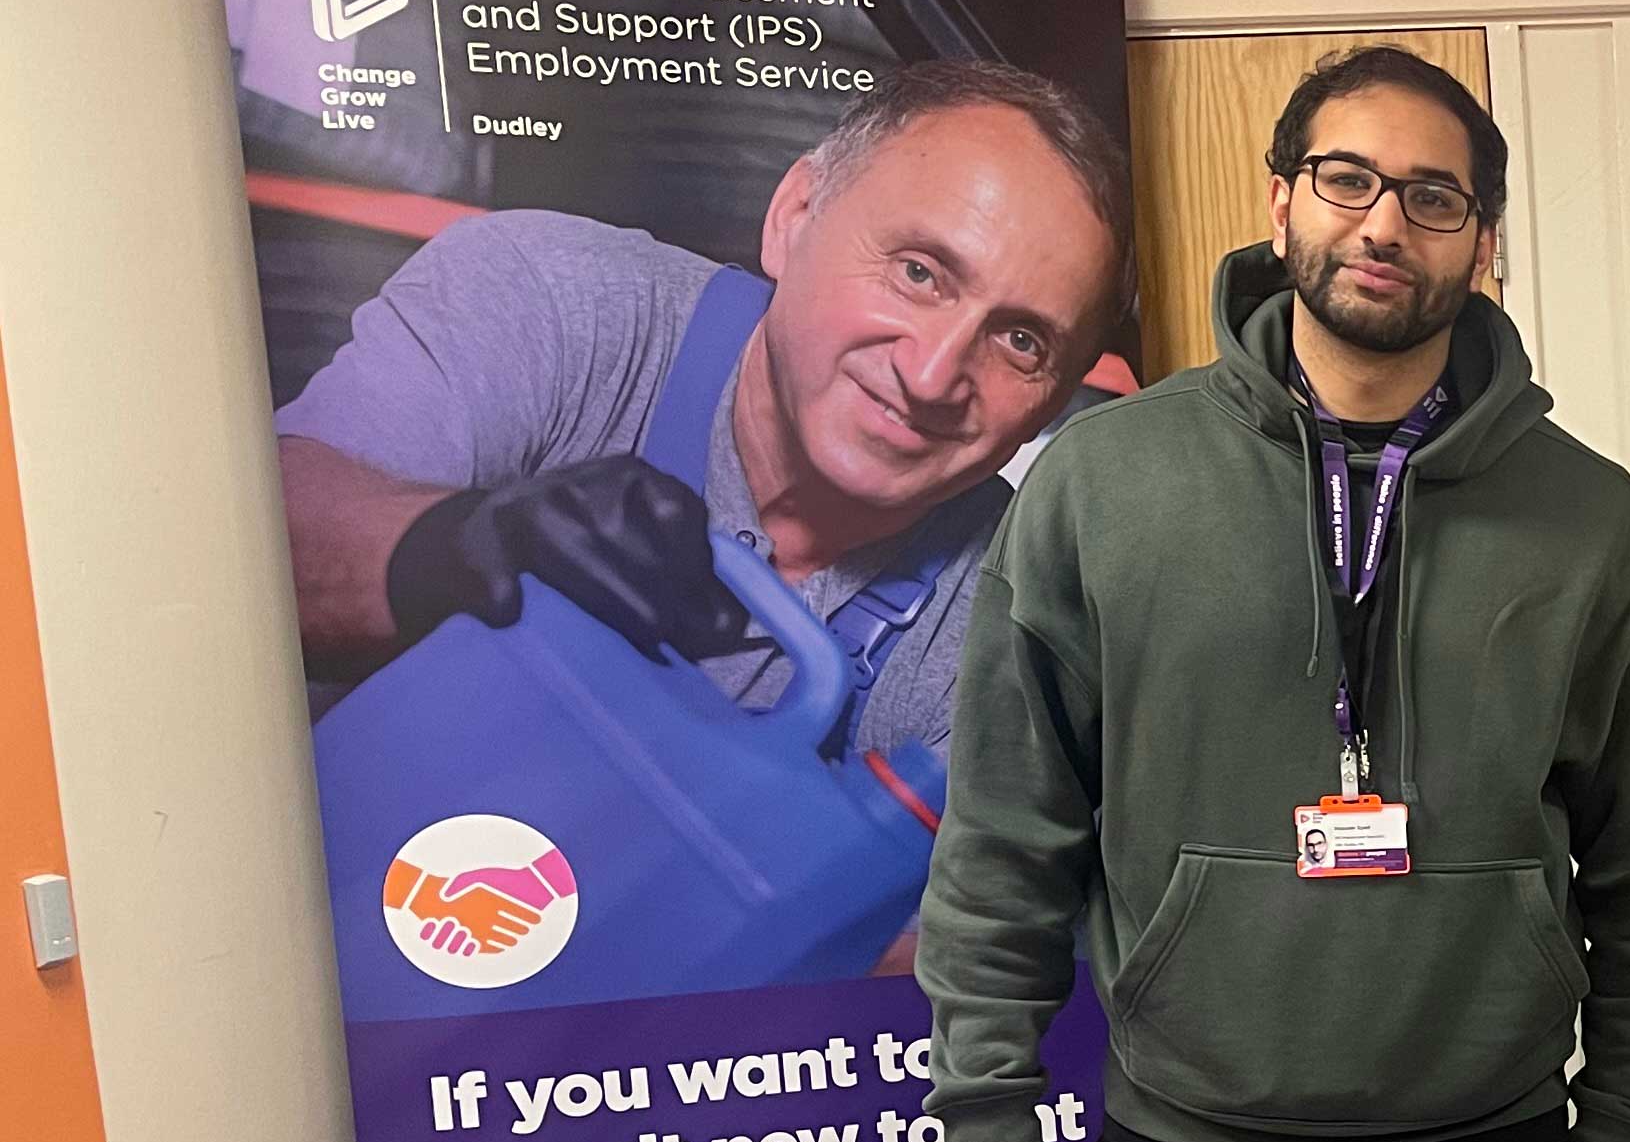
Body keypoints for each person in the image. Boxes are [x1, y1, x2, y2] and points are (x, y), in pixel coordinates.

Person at [919, 46, 1630, 1142]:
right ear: (1278, 200)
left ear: (1484, 242)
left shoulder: (1595, 528)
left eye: (1434, 198)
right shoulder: (1104, 484)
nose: (1384, 224)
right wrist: (988, 1114)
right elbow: (1012, 823)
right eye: (1348, 179)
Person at [277, 57, 1135, 761]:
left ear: (1052, 402)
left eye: (1021, 341)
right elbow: (257, 550)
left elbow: (939, 953)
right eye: (918, 273)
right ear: (794, 219)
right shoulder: (552, 300)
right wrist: (455, 547)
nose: (933, 373)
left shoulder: (1019, 632)